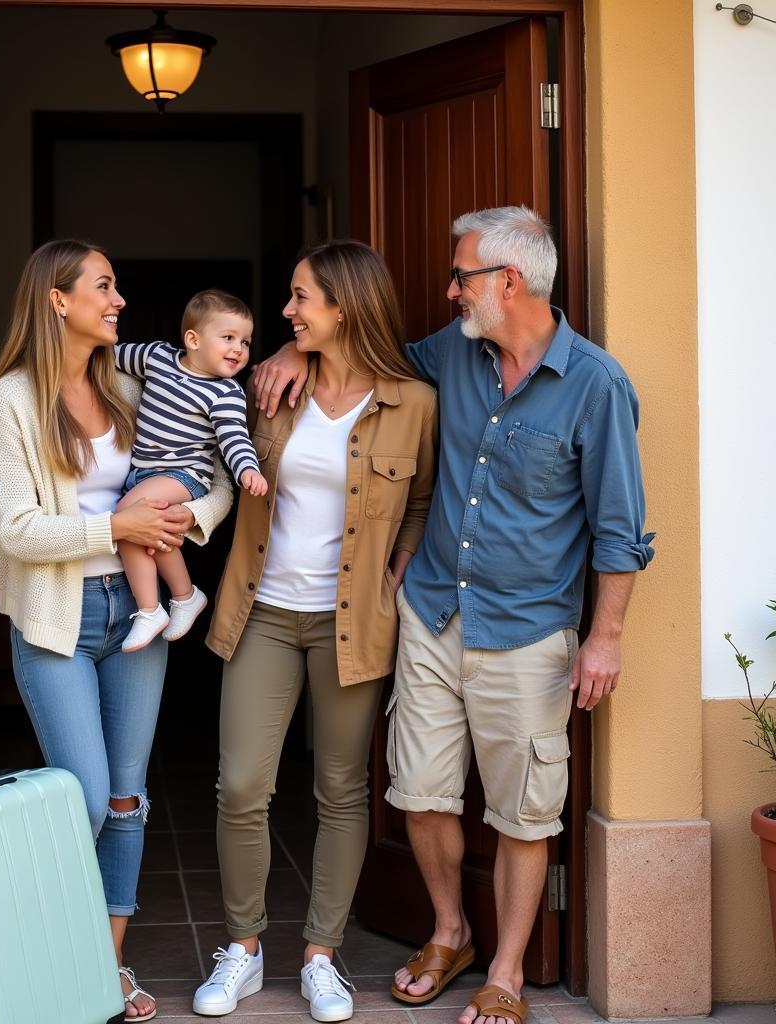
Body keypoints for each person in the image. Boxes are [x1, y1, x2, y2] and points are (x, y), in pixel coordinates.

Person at [251, 206, 655, 1024]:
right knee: (422, 793)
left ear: (508, 282)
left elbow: (619, 529)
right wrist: (300, 342)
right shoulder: (453, 351)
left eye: (461, 275)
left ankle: (505, 972)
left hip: (531, 629)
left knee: (521, 811)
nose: (448, 290)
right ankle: (450, 931)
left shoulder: (596, 385)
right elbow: (370, 358)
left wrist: (604, 637)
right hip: (433, 612)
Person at [0, 239, 233, 1023]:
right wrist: (114, 525)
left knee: (127, 799)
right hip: (57, 619)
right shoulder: (12, 401)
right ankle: (46, 945)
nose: (118, 299)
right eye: (104, 285)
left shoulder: (129, 381)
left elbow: (213, 468)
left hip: (139, 612)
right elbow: (18, 531)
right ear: (58, 299)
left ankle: (104, 968)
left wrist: (192, 517)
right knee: (83, 799)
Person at [192, 240, 437, 1023]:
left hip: (350, 624)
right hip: (263, 610)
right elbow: (185, 382)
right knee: (241, 786)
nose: (288, 310)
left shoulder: (414, 401)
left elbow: (426, 502)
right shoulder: (270, 386)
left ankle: (321, 956)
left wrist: (393, 576)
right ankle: (243, 947)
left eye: (301, 298)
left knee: (340, 790)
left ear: (344, 307)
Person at [112, 289, 267, 653]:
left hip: (184, 476)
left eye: (245, 341)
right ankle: (185, 596)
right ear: (193, 340)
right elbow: (106, 356)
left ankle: (150, 609)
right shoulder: (156, 357)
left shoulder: (226, 393)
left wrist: (248, 470)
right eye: (228, 338)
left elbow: (235, 440)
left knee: (128, 519)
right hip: (142, 473)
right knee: (149, 531)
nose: (239, 349)